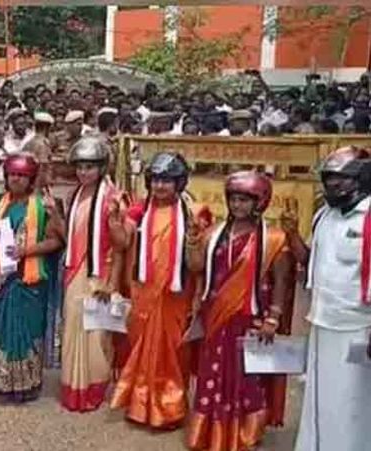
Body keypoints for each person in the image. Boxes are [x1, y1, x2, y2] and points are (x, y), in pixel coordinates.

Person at [185, 171, 293, 450]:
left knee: (246, 378)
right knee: (213, 372)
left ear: (259, 202)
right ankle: (209, 433)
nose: (237, 205)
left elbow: (281, 281)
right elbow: (197, 268)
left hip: (250, 319)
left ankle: (244, 435)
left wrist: (274, 317)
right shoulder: (215, 234)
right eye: (233, 199)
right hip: (216, 316)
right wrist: (193, 240)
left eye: (244, 200)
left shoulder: (274, 239)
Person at [287, 147, 371, 451]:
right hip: (323, 322)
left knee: (354, 400)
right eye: (329, 179)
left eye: (341, 179)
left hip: (357, 327)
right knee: (320, 395)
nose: (333, 185)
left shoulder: (369, 218)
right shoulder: (324, 215)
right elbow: (310, 261)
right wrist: (292, 235)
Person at [109, 152, 202, 429]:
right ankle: (139, 406)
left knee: (174, 351)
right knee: (139, 346)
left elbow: (197, 265)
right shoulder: (139, 210)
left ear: (180, 183)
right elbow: (123, 241)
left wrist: (195, 240)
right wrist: (115, 221)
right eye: (156, 180)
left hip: (176, 295)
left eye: (167, 181)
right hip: (143, 294)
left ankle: (170, 409)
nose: (160, 187)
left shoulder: (193, 213)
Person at [0, 154, 64, 403]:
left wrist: (25, 251)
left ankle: (27, 384)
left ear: (31, 179)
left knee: (28, 329)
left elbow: (56, 241)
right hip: (2, 278)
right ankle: (1, 383)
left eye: (22, 176)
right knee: (2, 329)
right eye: (12, 174)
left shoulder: (42, 205)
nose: (16, 180)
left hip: (31, 279)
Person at [60, 136, 125, 412]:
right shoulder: (74, 195)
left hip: (100, 272)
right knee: (74, 327)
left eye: (90, 166)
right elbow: (68, 237)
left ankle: (93, 388)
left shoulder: (114, 198)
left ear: (102, 167)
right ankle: (73, 388)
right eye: (80, 166)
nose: (84, 172)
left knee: (96, 334)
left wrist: (112, 283)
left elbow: (122, 246)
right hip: (75, 271)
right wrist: (55, 215)